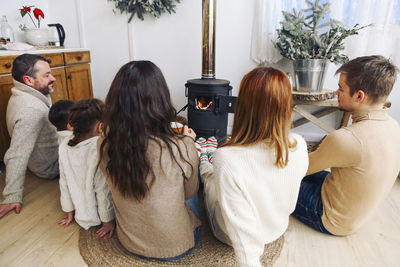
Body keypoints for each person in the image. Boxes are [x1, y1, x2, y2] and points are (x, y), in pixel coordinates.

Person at [199, 67, 308, 267]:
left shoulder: (227, 158)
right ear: (286, 106)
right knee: (223, 175)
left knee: (209, 182)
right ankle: (206, 158)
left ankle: (204, 158)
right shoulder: (299, 144)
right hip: (276, 228)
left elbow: (244, 240)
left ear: (244, 106)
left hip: (226, 235)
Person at [98, 60, 200, 260]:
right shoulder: (179, 147)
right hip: (176, 247)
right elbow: (190, 192)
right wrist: (190, 146)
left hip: (129, 242)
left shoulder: (104, 142)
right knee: (192, 183)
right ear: (160, 98)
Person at [293, 55, 400, 236]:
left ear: (359, 96)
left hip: (328, 217)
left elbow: (298, 169)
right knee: (315, 172)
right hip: (355, 214)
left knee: (275, 178)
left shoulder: (347, 138)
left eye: (341, 88)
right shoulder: (393, 125)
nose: (336, 92)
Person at [0, 54, 59, 218]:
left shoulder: (26, 92)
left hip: (50, 152)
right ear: (28, 80)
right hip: (50, 167)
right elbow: (17, 153)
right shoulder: (30, 111)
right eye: (46, 75)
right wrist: (12, 195)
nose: (53, 78)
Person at [57, 98, 115, 238]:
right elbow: (103, 191)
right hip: (97, 215)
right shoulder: (99, 149)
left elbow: (64, 181)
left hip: (80, 211)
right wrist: (107, 221)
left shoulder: (64, 145)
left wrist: (69, 209)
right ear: (100, 127)